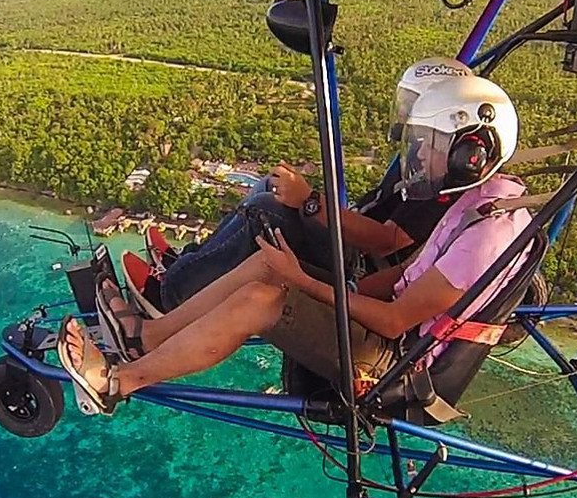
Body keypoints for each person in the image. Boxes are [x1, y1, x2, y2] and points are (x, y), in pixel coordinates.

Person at [57, 73, 532, 413]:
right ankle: (147, 338)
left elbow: (394, 320)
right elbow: (405, 276)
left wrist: (303, 282)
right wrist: (330, 286)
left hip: (397, 366)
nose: (421, 154)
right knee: (268, 265)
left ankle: (118, 382)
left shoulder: (486, 236)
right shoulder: (479, 201)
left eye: (433, 143)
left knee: (263, 299)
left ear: (471, 155)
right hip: (389, 331)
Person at [150, 57, 474, 311]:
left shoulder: (444, 180)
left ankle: (169, 296)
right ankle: (185, 265)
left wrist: (310, 202)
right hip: (351, 247)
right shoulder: (422, 152)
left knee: (266, 211)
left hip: (360, 266)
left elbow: (386, 242)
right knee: (269, 186)